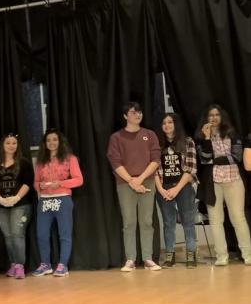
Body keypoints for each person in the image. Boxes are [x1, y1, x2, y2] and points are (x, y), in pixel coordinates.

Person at [106, 102, 161, 271]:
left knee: (146, 221)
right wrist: (131, 181)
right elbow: (115, 162)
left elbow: (155, 160)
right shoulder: (116, 138)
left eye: (139, 112)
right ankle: (130, 259)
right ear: (125, 116)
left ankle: (148, 258)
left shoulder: (150, 134)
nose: (138, 115)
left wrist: (140, 179)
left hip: (147, 181)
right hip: (125, 184)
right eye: (133, 112)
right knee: (129, 222)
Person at [195, 104, 251, 265]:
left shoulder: (232, 134)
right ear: (206, 118)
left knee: (238, 217)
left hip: (233, 179)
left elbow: (236, 157)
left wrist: (215, 160)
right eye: (210, 115)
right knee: (215, 219)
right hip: (213, 182)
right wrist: (207, 138)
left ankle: (248, 254)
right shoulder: (200, 137)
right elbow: (204, 159)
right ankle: (221, 256)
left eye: (216, 115)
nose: (213, 118)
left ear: (222, 116)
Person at [32, 130, 83, 277]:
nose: (52, 143)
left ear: (60, 141)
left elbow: (79, 180)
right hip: (44, 201)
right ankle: (45, 264)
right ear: (45, 143)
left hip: (63, 199)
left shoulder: (70, 158)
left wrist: (60, 183)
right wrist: (39, 186)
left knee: (64, 234)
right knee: (41, 234)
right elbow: (35, 182)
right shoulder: (41, 160)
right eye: (48, 140)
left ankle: (62, 265)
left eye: (54, 139)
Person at [154, 113, 198, 268]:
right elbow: (154, 169)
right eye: (164, 123)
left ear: (176, 124)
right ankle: (170, 255)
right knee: (168, 222)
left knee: (188, 221)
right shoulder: (157, 144)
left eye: (170, 122)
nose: (167, 125)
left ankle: (191, 255)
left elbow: (191, 168)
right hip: (164, 188)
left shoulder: (187, 141)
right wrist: (160, 189)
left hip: (184, 186)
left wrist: (177, 189)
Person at [0, 133, 33, 279]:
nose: (11, 146)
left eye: (14, 143)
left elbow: (27, 182)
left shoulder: (24, 163)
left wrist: (17, 197)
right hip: (0, 206)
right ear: (3, 145)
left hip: (20, 204)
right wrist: (0, 199)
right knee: (8, 236)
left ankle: (20, 265)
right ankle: (13, 264)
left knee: (17, 234)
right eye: (8, 143)